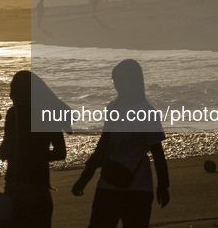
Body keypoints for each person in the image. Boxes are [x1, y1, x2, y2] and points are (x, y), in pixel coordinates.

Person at [72, 60, 170, 228]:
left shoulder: (147, 112)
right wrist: (84, 178)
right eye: (115, 81)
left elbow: (158, 153)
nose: (118, 85)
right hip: (109, 182)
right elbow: (103, 146)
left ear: (134, 82)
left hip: (138, 186)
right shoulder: (112, 108)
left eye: (122, 81)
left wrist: (163, 186)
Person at [0, 71, 67, 228]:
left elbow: (7, 148)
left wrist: (1, 152)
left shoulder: (14, 114)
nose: (10, 93)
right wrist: (38, 156)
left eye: (12, 88)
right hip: (41, 187)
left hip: (17, 186)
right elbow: (61, 153)